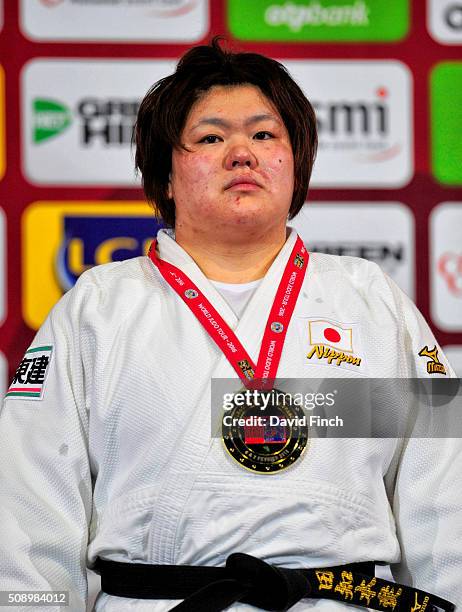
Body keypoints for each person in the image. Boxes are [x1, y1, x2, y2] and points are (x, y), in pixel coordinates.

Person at [0, 38, 460, 612]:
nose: (241, 154)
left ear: (297, 164)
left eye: (265, 136)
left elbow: (444, 496)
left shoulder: (369, 301)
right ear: (165, 175)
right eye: (211, 138)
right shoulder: (98, 309)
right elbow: (28, 510)